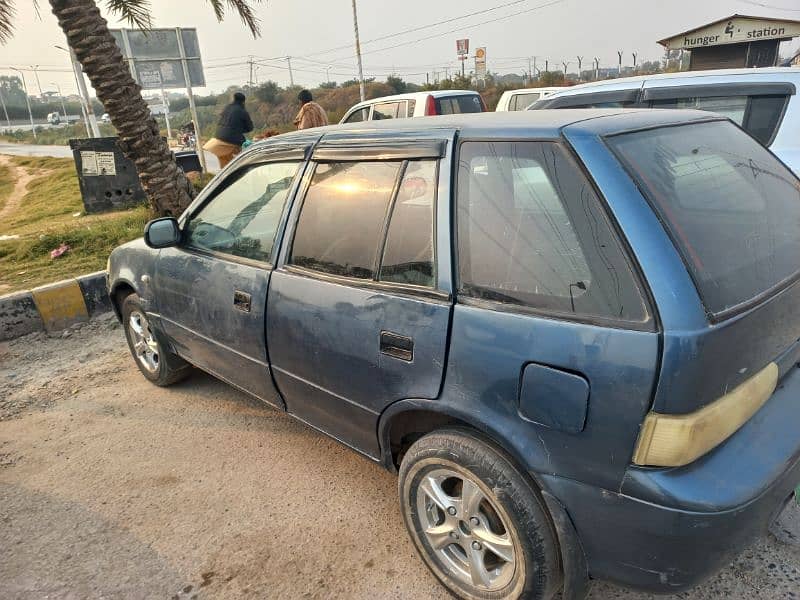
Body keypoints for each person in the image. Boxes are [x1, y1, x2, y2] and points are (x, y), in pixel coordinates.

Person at [202, 91, 253, 168]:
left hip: (217, 137)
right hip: (233, 140)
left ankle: (227, 175)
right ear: (243, 102)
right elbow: (250, 128)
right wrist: (240, 129)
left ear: (234, 99)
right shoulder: (243, 111)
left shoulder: (227, 108)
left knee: (225, 163)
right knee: (247, 158)